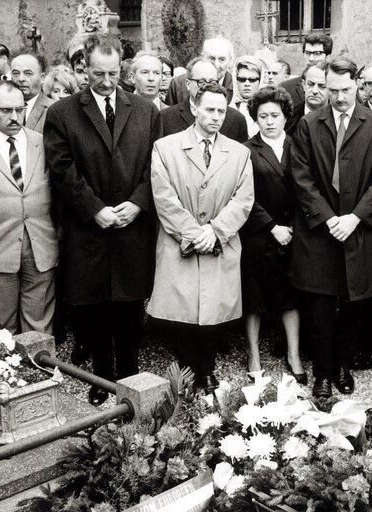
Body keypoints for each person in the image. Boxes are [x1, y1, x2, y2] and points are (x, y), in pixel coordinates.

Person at [44, 34, 162, 406]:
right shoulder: (62, 113)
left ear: (122, 69)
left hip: (132, 226)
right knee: (93, 307)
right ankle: (101, 375)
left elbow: (156, 167)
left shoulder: (145, 111)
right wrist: (95, 208)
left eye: (113, 73)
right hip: (88, 229)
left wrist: (139, 203)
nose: (106, 81)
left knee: (129, 305)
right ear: (85, 69)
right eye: (98, 73)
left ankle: (129, 373)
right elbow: (62, 170)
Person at [290, 56, 372, 398]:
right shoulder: (308, 124)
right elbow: (301, 177)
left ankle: (342, 366)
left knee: (353, 305)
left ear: (358, 86)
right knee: (319, 308)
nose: (338, 97)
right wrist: (328, 217)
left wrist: (354, 217)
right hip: (320, 231)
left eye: (346, 89)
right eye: (331, 89)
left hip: (359, 229)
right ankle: (322, 374)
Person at [148, 82, 253, 392]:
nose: (216, 116)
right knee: (181, 312)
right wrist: (196, 234)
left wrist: (215, 232)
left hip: (219, 244)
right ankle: (187, 369)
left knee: (212, 313)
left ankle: (206, 370)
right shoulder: (166, 148)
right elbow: (164, 198)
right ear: (193, 107)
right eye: (209, 109)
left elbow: (243, 200)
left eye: (221, 111)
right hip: (180, 243)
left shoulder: (238, 152)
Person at [0, 80, 58, 335]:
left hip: (40, 246)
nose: (15, 117)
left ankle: (44, 373)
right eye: (5, 110)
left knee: (40, 325)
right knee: (3, 329)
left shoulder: (42, 143)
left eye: (20, 109)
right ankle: (8, 375)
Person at [240, 86, 305, 382]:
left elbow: (308, 190)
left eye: (274, 115)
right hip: (259, 234)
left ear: (285, 117)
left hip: (293, 233)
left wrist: (291, 227)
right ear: (255, 118)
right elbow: (242, 196)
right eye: (262, 116)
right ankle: (253, 353)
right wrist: (271, 227)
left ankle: (294, 354)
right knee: (253, 298)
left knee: (290, 297)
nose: (269, 121)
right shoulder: (246, 150)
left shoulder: (299, 146)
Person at [161, 56, 248, 143]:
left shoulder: (236, 120)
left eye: (212, 83)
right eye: (201, 82)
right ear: (188, 84)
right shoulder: (166, 118)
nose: (206, 87)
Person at [166, 37, 236, 105]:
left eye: (222, 59)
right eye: (212, 58)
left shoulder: (237, 87)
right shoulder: (178, 84)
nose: (216, 65)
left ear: (230, 61)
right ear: (202, 57)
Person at [280, 33, 333, 108]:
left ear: (328, 58)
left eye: (317, 53)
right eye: (307, 53)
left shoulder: (337, 88)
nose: (311, 58)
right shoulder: (286, 88)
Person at [10, 53, 55, 133]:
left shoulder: (54, 109)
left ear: (42, 78)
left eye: (28, 73)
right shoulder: (1, 107)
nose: (21, 79)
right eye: (16, 73)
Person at [285, 61, 329, 136]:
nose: (315, 91)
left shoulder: (339, 120)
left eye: (322, 86)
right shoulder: (287, 118)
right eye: (310, 84)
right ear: (303, 85)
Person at [229, 56, 264, 137]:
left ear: (260, 81)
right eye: (242, 79)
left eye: (252, 80)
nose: (247, 84)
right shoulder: (227, 108)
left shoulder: (266, 109)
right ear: (235, 80)